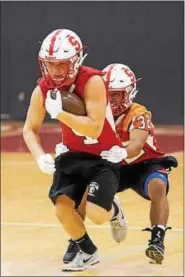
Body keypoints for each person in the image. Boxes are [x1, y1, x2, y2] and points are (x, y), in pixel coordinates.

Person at [23, 29, 127, 272]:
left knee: (96, 214)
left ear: (76, 61)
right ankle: (87, 250)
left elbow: (93, 129)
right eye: (50, 64)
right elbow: (29, 129)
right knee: (61, 206)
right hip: (71, 153)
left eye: (61, 65)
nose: (55, 71)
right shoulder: (42, 88)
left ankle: (115, 208)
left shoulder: (93, 82)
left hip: (103, 155)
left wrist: (60, 114)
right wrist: (39, 156)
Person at [58, 63, 178, 265]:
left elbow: (137, 144)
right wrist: (64, 147)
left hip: (144, 163)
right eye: (108, 94)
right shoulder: (93, 112)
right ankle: (78, 239)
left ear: (129, 93)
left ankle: (157, 239)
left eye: (117, 95)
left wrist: (122, 150)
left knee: (158, 186)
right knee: (82, 190)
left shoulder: (138, 113)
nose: (112, 100)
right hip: (112, 166)